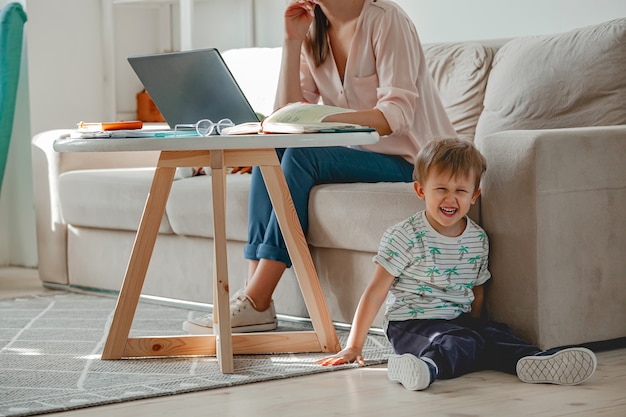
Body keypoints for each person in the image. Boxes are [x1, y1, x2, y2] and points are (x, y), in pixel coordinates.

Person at [183, 0, 457, 334]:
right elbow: (282, 116)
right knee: (269, 145)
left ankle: (257, 297)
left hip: (416, 162)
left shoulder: (387, 20)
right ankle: (255, 299)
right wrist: (291, 41)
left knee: (302, 156)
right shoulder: (315, 29)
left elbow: (397, 116)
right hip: (364, 155)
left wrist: (323, 119)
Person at [316, 138, 598, 390]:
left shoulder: (478, 238)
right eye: (441, 188)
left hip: (458, 322)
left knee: (496, 333)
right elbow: (375, 292)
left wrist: (477, 329)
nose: (450, 198)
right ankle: (424, 368)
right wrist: (354, 346)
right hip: (411, 324)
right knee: (453, 342)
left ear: (474, 196)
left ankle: (533, 361)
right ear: (420, 190)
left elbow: (477, 290)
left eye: (460, 191)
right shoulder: (404, 236)